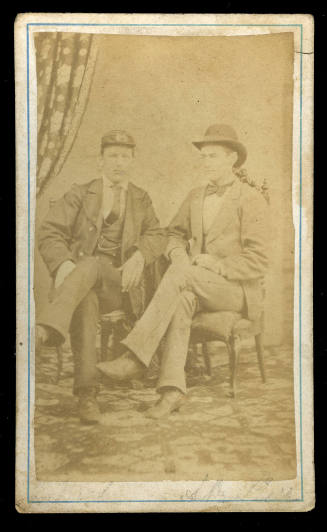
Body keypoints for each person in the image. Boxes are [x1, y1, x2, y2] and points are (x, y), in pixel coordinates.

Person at [97, 124, 269, 419]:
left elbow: (259, 260)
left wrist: (218, 264)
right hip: (197, 285)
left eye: (212, 156)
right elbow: (172, 234)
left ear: (232, 159)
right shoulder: (195, 196)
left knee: (182, 277)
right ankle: (172, 391)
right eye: (203, 157)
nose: (205, 162)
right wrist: (177, 253)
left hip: (236, 292)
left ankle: (137, 355)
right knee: (181, 299)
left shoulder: (250, 198)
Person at [35, 130, 167, 424]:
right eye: (112, 156)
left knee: (92, 265)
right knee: (85, 300)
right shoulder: (80, 193)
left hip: (122, 287)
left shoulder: (140, 198)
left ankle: (48, 328)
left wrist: (140, 255)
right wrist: (64, 265)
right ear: (100, 161)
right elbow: (49, 231)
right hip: (84, 285)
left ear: (132, 161)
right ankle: (87, 395)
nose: (118, 162)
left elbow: (157, 235)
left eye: (124, 156)